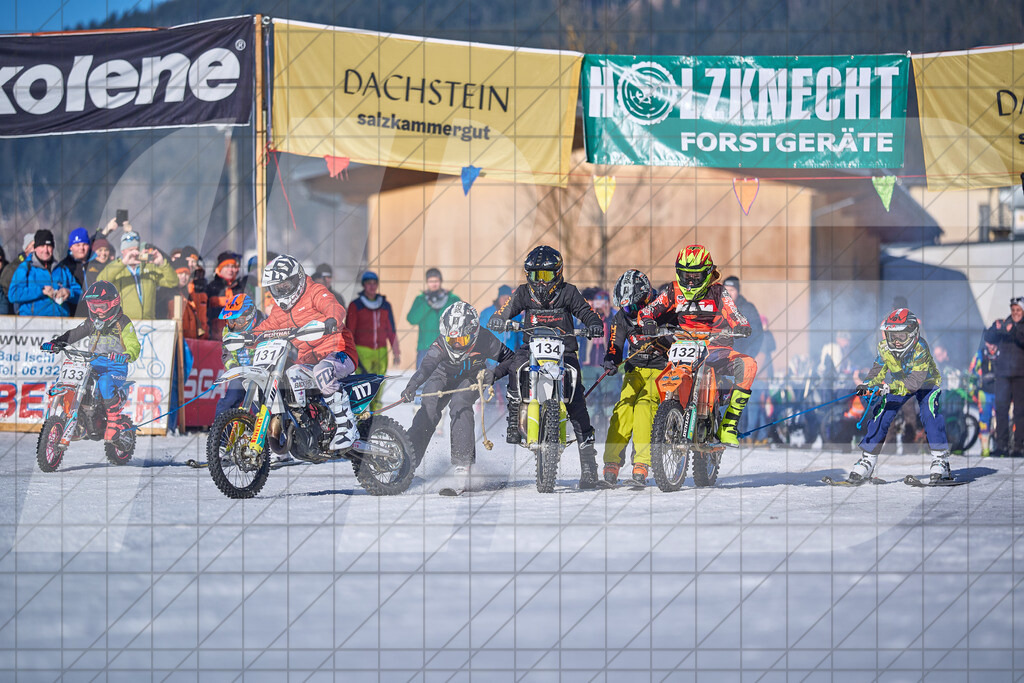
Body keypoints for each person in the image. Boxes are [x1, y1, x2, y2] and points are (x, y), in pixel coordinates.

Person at [486, 245, 605, 489]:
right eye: (535, 275)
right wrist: (498, 319)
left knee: (576, 401)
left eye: (546, 275)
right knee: (514, 367)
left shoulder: (569, 292)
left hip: (564, 351)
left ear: (558, 273)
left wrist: (594, 324)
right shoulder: (523, 292)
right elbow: (504, 310)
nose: (540, 281)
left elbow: (587, 312)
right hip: (531, 350)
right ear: (527, 275)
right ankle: (514, 419)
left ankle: (589, 467)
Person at [638, 245, 755, 446]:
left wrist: (741, 325)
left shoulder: (718, 292)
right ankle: (669, 416)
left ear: (708, 273)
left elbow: (735, 314)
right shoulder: (673, 290)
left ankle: (729, 425)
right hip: (683, 345)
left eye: (696, 277)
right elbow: (647, 311)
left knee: (749, 365)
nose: (690, 282)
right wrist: (648, 322)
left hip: (716, 347)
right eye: (686, 276)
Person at [401, 302, 515, 490]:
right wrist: (412, 386)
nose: (456, 344)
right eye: (452, 339)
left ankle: (463, 464)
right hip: (442, 375)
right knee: (429, 406)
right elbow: (426, 367)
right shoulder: (440, 343)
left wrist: (494, 373)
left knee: (460, 404)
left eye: (462, 340)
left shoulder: (485, 338)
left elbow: (510, 359)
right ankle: (408, 462)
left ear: (473, 332)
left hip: (471, 376)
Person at [256, 255, 360, 451]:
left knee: (322, 371)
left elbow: (333, 306)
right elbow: (265, 328)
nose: (282, 291)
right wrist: (246, 336)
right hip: (308, 359)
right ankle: (308, 426)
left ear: (298, 278)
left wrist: (331, 319)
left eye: (285, 285)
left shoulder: (315, 291)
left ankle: (347, 427)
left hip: (339, 351)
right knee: (291, 375)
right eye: (277, 288)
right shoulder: (280, 311)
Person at [851, 308, 952, 483]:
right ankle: (868, 459)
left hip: (926, 383)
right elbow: (877, 371)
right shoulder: (884, 348)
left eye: (901, 336)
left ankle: (940, 460)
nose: (896, 341)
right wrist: (868, 386)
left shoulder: (921, 347)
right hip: (899, 383)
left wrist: (888, 388)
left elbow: (914, 382)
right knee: (882, 410)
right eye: (892, 336)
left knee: (929, 413)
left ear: (912, 334)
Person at [602, 270, 675, 486]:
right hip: (635, 369)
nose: (630, 311)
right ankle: (611, 463)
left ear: (646, 297)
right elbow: (615, 345)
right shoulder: (621, 318)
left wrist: (662, 340)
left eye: (634, 307)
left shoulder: (662, 308)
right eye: (626, 308)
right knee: (624, 407)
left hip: (661, 370)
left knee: (645, 406)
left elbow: (679, 335)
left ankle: (642, 463)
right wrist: (611, 361)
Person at [46, 282, 141, 441]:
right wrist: (56, 343)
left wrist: (126, 355)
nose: (97, 311)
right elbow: (75, 333)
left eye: (102, 307)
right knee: (70, 378)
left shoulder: (123, 322)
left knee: (105, 382)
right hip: (93, 364)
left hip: (115, 367)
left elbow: (134, 345)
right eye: (93, 306)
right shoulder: (92, 322)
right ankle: (74, 418)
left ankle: (113, 421)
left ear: (113, 304)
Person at [346, 271, 399, 411]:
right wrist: (350, 352)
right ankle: (361, 416)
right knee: (363, 385)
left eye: (374, 283)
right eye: (368, 283)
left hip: (381, 351)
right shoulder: (356, 305)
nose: (372, 286)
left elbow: (391, 329)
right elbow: (349, 331)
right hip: (362, 351)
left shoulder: (385, 305)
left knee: (379, 384)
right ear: (364, 285)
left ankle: (376, 416)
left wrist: (396, 351)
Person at [96, 230, 177, 320]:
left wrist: (162, 264)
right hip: (124, 323)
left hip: (148, 323)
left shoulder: (149, 268)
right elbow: (100, 283)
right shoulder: (116, 269)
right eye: (131, 250)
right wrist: (123, 263)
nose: (134, 253)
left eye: (137, 250)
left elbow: (173, 282)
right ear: (123, 251)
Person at [8, 229, 81, 317]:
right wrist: (41, 290)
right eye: (42, 246)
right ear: (35, 248)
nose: (46, 250)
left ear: (53, 248)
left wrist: (69, 293)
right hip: (32, 321)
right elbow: (13, 294)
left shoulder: (62, 269)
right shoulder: (25, 268)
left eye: (49, 246)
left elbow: (80, 294)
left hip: (60, 321)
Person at [984, 297, 1024, 458]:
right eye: (1013, 310)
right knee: (1001, 410)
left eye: (1018, 310)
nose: (1015, 313)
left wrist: (1012, 330)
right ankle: (1001, 446)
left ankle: (1019, 447)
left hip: (1021, 375)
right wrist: (996, 329)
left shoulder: (1019, 327)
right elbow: (989, 337)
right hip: (1003, 374)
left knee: (1020, 411)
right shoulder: (1004, 323)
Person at [216, 293, 266, 414]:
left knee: (259, 405)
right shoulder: (227, 330)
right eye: (230, 321)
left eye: (239, 321)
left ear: (250, 316)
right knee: (228, 402)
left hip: (261, 373)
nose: (234, 325)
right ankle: (220, 426)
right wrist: (233, 368)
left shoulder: (266, 325)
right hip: (240, 371)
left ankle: (264, 426)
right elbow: (226, 354)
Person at [406, 267, 460, 369]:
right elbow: (412, 319)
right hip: (426, 349)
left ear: (441, 281)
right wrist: (428, 304)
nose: (434, 284)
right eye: (431, 281)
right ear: (427, 282)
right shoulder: (421, 300)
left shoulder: (452, 299)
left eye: (436, 281)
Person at [159, 256, 209, 339]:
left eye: (186, 274)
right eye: (180, 273)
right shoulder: (166, 293)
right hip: (173, 341)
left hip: (189, 341)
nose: (184, 277)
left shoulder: (188, 295)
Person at [206, 251, 248, 339]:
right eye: (227, 266)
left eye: (233, 267)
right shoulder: (211, 288)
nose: (230, 270)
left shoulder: (240, 289)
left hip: (237, 337)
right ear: (220, 268)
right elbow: (206, 314)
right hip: (215, 337)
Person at [969, 338, 998, 456]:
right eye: (989, 343)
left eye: (994, 343)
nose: (992, 346)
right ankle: (985, 449)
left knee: (1000, 420)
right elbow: (972, 371)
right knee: (984, 421)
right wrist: (980, 377)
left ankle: (999, 447)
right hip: (984, 393)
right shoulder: (980, 354)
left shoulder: (1001, 353)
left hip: (1000, 392)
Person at [0, 233, 35, 311]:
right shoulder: (13, 268)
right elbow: (7, 295)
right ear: (26, 248)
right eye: (33, 246)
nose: (36, 249)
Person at [60, 227, 92, 294]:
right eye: (78, 245)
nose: (81, 248)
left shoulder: (96, 263)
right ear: (71, 247)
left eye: (85, 244)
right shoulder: (64, 267)